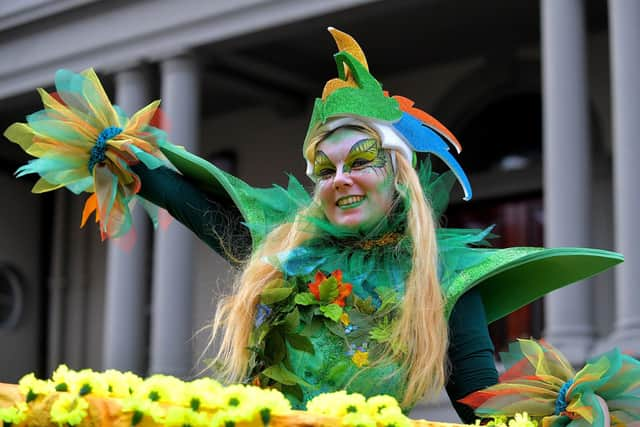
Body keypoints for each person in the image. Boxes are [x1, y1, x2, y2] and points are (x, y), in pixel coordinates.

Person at [4, 28, 622, 423]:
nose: (340, 180)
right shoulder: (287, 253)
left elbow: (478, 396)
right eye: (324, 169)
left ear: (399, 175)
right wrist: (129, 163)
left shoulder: (446, 279)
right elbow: (196, 207)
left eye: (361, 162)